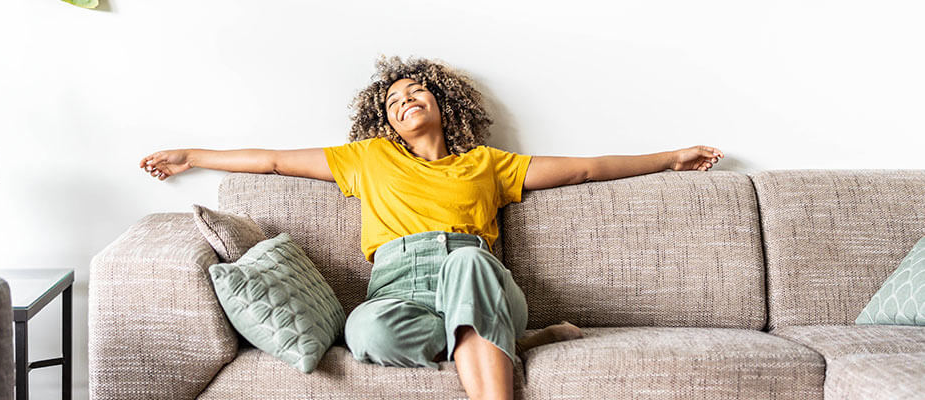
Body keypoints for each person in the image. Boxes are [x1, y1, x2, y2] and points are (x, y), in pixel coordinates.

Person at [139, 56, 723, 400]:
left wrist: (669, 158)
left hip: (473, 274)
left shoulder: (487, 164)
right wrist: (192, 155)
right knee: (364, 332)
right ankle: (517, 345)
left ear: (444, 105)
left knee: (468, 261)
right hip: (396, 288)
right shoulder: (366, 158)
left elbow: (587, 170)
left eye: (415, 91)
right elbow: (269, 159)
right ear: (384, 123)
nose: (404, 102)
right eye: (392, 102)